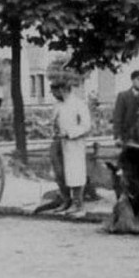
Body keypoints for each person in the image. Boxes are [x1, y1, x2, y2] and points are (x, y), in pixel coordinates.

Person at [51, 77, 93, 218]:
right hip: (58, 142)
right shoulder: (58, 104)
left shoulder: (78, 104)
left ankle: (78, 203)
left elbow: (86, 125)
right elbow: (55, 121)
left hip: (73, 142)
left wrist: (70, 133)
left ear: (62, 90)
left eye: (54, 92)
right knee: (59, 172)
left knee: (74, 172)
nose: (53, 95)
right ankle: (66, 200)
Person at [112, 70, 139, 148]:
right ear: (132, 80)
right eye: (138, 79)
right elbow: (118, 117)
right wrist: (118, 137)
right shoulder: (123, 96)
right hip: (128, 138)